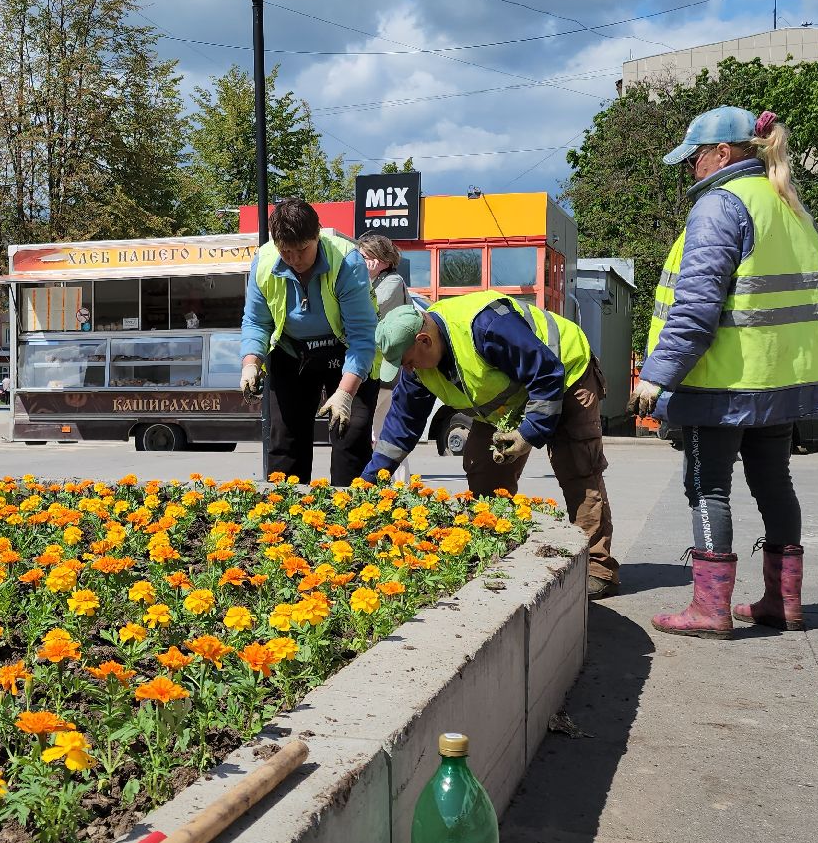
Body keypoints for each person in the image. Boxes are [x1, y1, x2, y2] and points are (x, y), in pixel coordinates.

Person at [633, 106, 818, 639]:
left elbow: (696, 307)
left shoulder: (720, 206)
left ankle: (710, 609)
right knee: (774, 481)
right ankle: (783, 602)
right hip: (779, 379)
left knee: (708, 487)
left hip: (723, 381)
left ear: (721, 154)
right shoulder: (789, 204)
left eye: (694, 158)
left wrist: (657, 376)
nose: (691, 170)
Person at [364, 294, 621, 597]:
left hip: (565, 375)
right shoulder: (418, 365)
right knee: (483, 471)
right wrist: (370, 481)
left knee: (578, 468)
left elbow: (547, 372)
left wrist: (528, 434)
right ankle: (495, 549)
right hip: (507, 401)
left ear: (424, 340)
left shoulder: (487, 326)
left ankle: (597, 567)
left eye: (408, 362)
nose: (407, 371)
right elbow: (401, 424)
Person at [239, 199, 381, 486]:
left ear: (317, 235)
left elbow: (362, 336)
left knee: (350, 434)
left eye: (302, 249)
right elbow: (256, 321)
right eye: (285, 251)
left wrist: (345, 394)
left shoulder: (347, 262)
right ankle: (282, 518)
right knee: (284, 441)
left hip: (345, 352)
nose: (294, 259)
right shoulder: (264, 262)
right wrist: (251, 362)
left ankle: (350, 517)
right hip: (292, 352)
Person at [355, 233, 410, 451]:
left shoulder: (392, 282)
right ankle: (394, 482)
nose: (358, 262)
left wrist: (366, 277)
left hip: (386, 370)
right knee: (380, 432)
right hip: (378, 367)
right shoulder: (378, 280)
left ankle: (391, 481)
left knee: (373, 430)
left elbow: (369, 310)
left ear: (383, 260)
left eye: (364, 257)